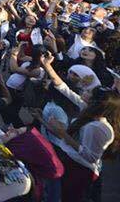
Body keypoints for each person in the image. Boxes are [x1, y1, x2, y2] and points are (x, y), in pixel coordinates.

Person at [40, 52, 120, 201]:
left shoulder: (99, 127)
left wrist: (62, 133)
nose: (85, 91)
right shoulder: (88, 109)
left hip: (80, 169)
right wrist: (47, 66)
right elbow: (65, 90)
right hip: (71, 161)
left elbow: (90, 157)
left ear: (96, 103)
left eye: (89, 92)